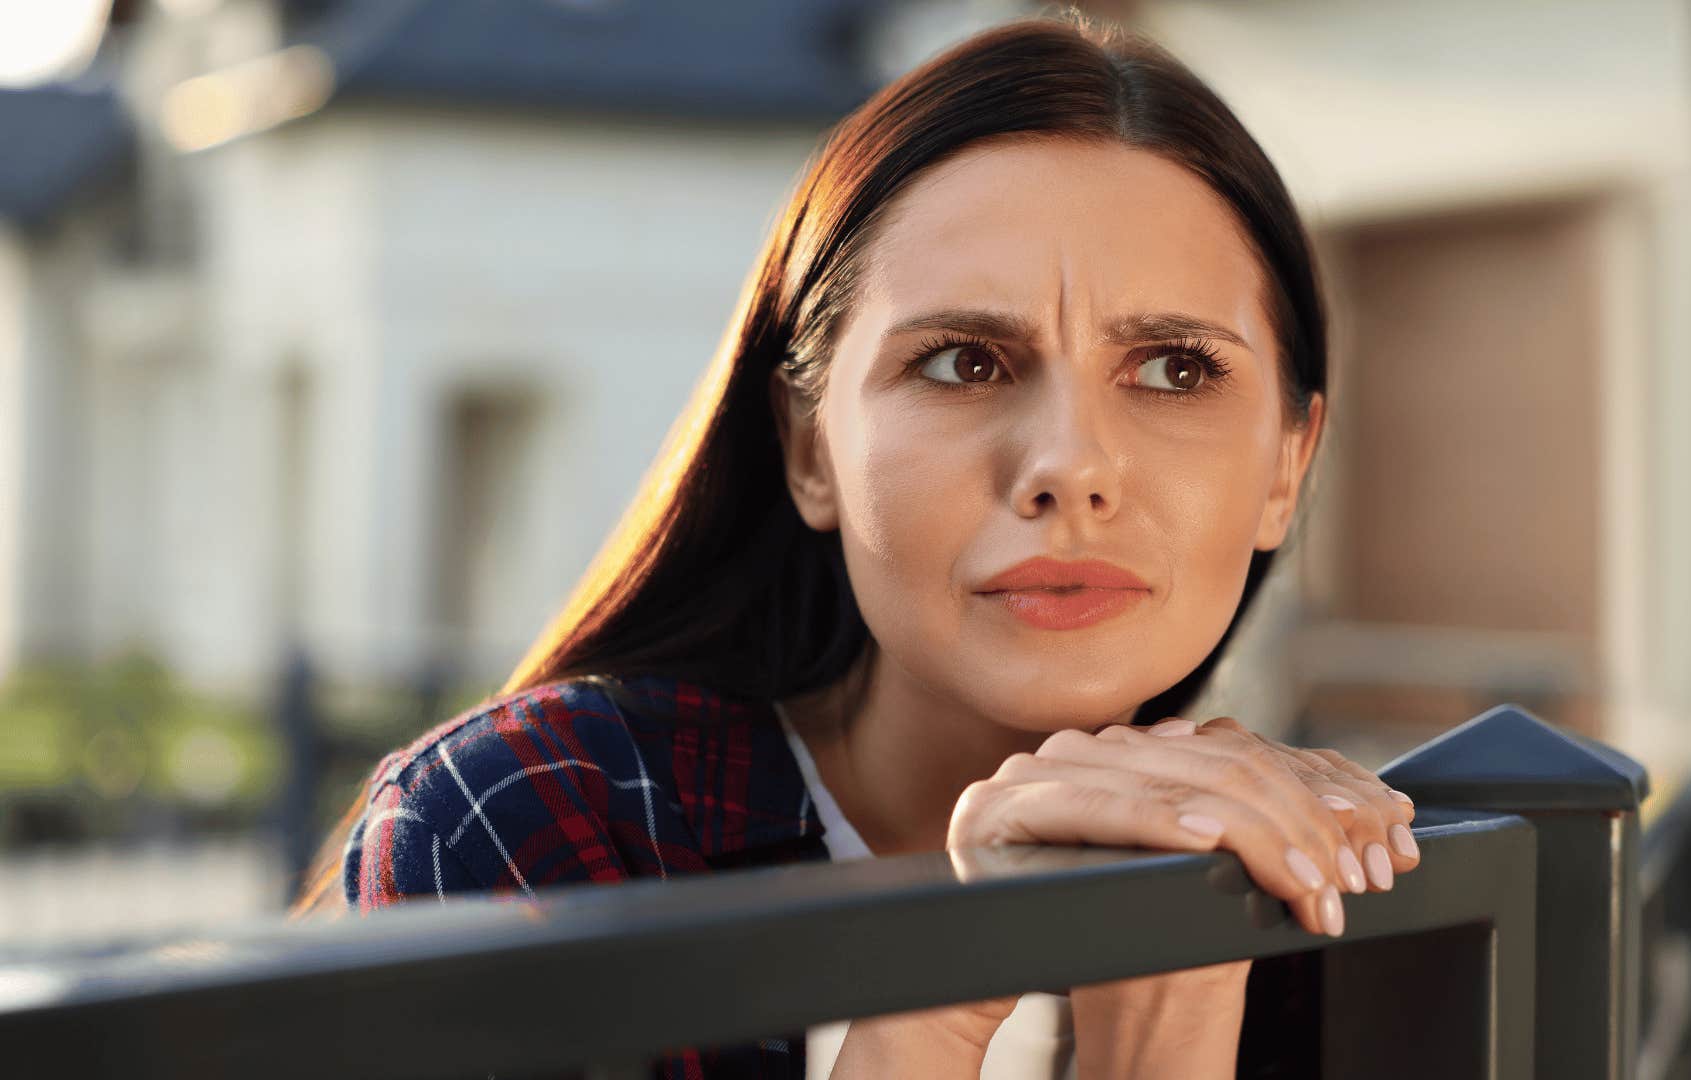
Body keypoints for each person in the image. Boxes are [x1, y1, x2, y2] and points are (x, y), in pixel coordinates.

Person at [289, 11, 1422, 1078]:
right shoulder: (539, 827)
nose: (1071, 466)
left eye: (1175, 369)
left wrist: (1164, 1027)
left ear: (1286, 464)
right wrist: (934, 991)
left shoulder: (1322, 900)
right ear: (809, 448)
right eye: (964, 363)